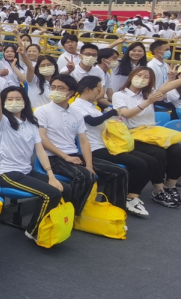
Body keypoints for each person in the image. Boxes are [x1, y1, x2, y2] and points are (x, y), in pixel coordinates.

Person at [35, 74, 128, 215]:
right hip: (53, 157)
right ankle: (72, 215)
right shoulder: (42, 111)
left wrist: (89, 165)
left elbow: (84, 141)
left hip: (74, 156)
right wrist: (65, 156)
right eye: (53, 87)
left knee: (119, 172)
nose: (55, 91)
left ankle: (113, 213)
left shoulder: (76, 113)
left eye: (60, 88)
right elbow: (42, 138)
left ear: (70, 93)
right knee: (85, 176)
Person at [0, 74, 64, 242]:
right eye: (9, 99)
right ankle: (33, 231)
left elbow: (40, 151)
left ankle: (50, 224)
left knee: (63, 188)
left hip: (26, 171)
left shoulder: (31, 123)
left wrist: (51, 176)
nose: (14, 102)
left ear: (25, 101)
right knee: (51, 194)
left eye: (18, 98)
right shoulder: (2, 122)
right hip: (7, 173)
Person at [112, 66, 181, 208]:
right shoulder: (119, 95)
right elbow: (126, 114)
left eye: (146, 77)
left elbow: (167, 88)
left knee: (178, 151)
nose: (141, 79)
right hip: (132, 135)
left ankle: (170, 185)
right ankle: (158, 189)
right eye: (139, 75)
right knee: (158, 153)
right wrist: (148, 102)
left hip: (151, 132)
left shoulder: (148, 93)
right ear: (132, 76)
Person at [70, 75, 152, 217]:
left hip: (107, 144)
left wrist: (112, 116)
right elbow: (92, 121)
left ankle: (130, 195)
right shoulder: (76, 106)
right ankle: (124, 196)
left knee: (150, 162)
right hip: (95, 148)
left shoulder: (91, 105)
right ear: (87, 89)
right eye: (98, 90)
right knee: (139, 164)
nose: (99, 93)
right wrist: (111, 113)